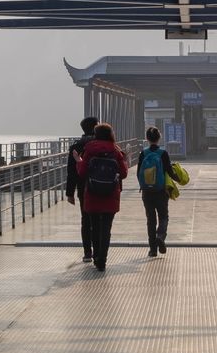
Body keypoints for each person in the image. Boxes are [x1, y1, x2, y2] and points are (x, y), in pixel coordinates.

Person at [76, 123, 128, 272]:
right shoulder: (115, 150)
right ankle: (102, 260)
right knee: (106, 228)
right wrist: (124, 159)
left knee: (94, 226)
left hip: (92, 193)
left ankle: (96, 255)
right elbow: (123, 174)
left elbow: (82, 172)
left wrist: (78, 162)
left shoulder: (90, 150)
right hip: (111, 194)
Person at [137, 126, 177, 257]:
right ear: (159, 138)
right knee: (164, 216)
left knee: (151, 219)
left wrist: (144, 186)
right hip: (161, 191)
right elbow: (170, 172)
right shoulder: (163, 153)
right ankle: (160, 236)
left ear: (147, 138)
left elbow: (138, 173)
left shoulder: (143, 153)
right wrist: (179, 178)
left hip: (147, 192)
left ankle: (152, 249)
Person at [65, 116, 100, 262]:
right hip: (100, 186)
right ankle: (98, 251)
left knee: (85, 219)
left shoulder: (76, 147)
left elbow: (71, 171)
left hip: (82, 187)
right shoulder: (101, 144)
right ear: (96, 127)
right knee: (99, 219)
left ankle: (87, 253)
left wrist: (69, 193)